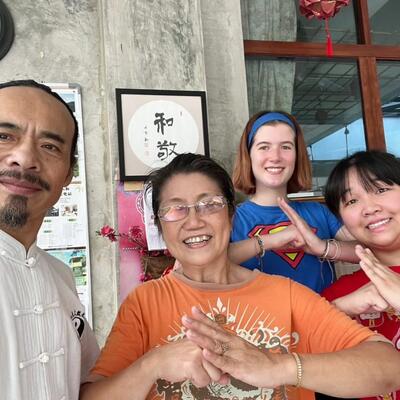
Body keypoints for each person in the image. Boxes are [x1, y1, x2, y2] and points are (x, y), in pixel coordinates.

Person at [81, 153, 400, 400]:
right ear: (160, 227)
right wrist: (151, 365)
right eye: (176, 209)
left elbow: (388, 366)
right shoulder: (145, 302)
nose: (194, 221)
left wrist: (279, 367)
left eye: (209, 204)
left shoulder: (285, 294)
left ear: (231, 215)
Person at [0, 80, 99, 400]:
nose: (24, 158)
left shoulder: (61, 276)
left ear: (69, 173)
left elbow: (87, 385)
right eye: (4, 136)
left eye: (50, 146)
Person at [228, 110, 358, 293]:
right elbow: (206, 265)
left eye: (286, 147)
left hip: (324, 311)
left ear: (297, 156)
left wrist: (322, 247)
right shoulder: (231, 219)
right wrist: (269, 241)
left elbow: (370, 250)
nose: (275, 157)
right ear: (248, 156)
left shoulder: (319, 212)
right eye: (264, 147)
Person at [320, 150, 400, 400]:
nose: (370, 208)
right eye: (352, 201)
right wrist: (341, 309)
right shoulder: (339, 295)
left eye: (380, 189)